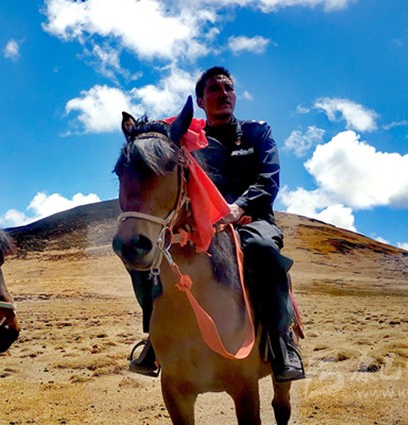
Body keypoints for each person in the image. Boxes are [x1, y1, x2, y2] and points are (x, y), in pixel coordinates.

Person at [128, 66, 305, 382]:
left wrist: (238, 209)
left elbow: (268, 179)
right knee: (146, 256)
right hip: (201, 222)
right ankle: (154, 339)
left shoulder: (256, 132)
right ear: (200, 100)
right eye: (214, 89)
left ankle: (282, 344)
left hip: (251, 218)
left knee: (263, 250)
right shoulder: (190, 140)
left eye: (228, 88)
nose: (223, 93)